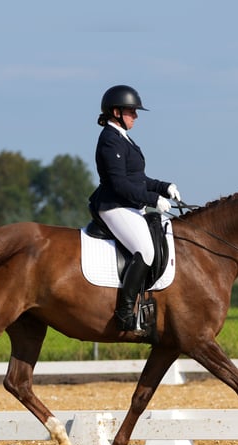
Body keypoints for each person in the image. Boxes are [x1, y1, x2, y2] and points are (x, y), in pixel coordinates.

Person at [88, 84, 182, 331]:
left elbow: (138, 178)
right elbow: (119, 184)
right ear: (116, 112)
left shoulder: (123, 138)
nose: (136, 116)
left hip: (128, 205)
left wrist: (163, 187)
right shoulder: (110, 140)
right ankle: (124, 312)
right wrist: (152, 200)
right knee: (146, 251)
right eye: (131, 111)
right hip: (113, 205)